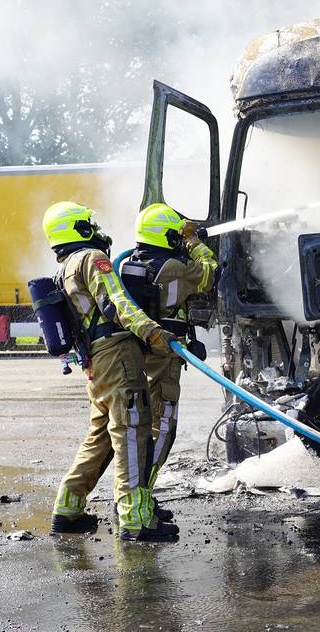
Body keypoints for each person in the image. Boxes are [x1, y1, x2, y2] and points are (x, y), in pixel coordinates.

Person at [41, 201, 180, 542]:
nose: (98, 229)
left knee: (100, 435)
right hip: (118, 357)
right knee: (131, 432)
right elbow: (116, 301)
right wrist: (152, 332)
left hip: (94, 362)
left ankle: (69, 508)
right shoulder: (92, 259)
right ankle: (135, 520)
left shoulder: (65, 268)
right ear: (80, 229)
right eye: (91, 224)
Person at [121, 203, 218, 513]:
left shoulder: (133, 263)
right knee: (163, 427)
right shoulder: (174, 268)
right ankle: (143, 496)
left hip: (140, 351)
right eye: (174, 234)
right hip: (165, 357)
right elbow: (210, 271)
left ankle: (134, 494)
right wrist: (192, 240)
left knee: (138, 427)